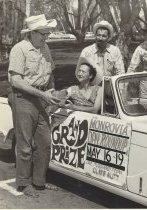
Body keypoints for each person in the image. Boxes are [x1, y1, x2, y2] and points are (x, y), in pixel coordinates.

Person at [8, 14, 60, 197]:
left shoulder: (45, 48)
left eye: (47, 33)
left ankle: (39, 181)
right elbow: (16, 81)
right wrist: (42, 94)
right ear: (31, 33)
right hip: (23, 98)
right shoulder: (19, 49)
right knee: (25, 144)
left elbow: (51, 73)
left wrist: (52, 91)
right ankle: (23, 184)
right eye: (43, 33)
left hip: (41, 97)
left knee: (44, 142)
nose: (46, 37)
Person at [78, 20, 125, 85]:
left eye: (104, 36)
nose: (100, 38)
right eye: (98, 35)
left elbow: (120, 72)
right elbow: (81, 74)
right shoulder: (86, 52)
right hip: (92, 88)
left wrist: (119, 90)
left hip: (111, 88)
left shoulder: (115, 51)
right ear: (95, 36)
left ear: (108, 37)